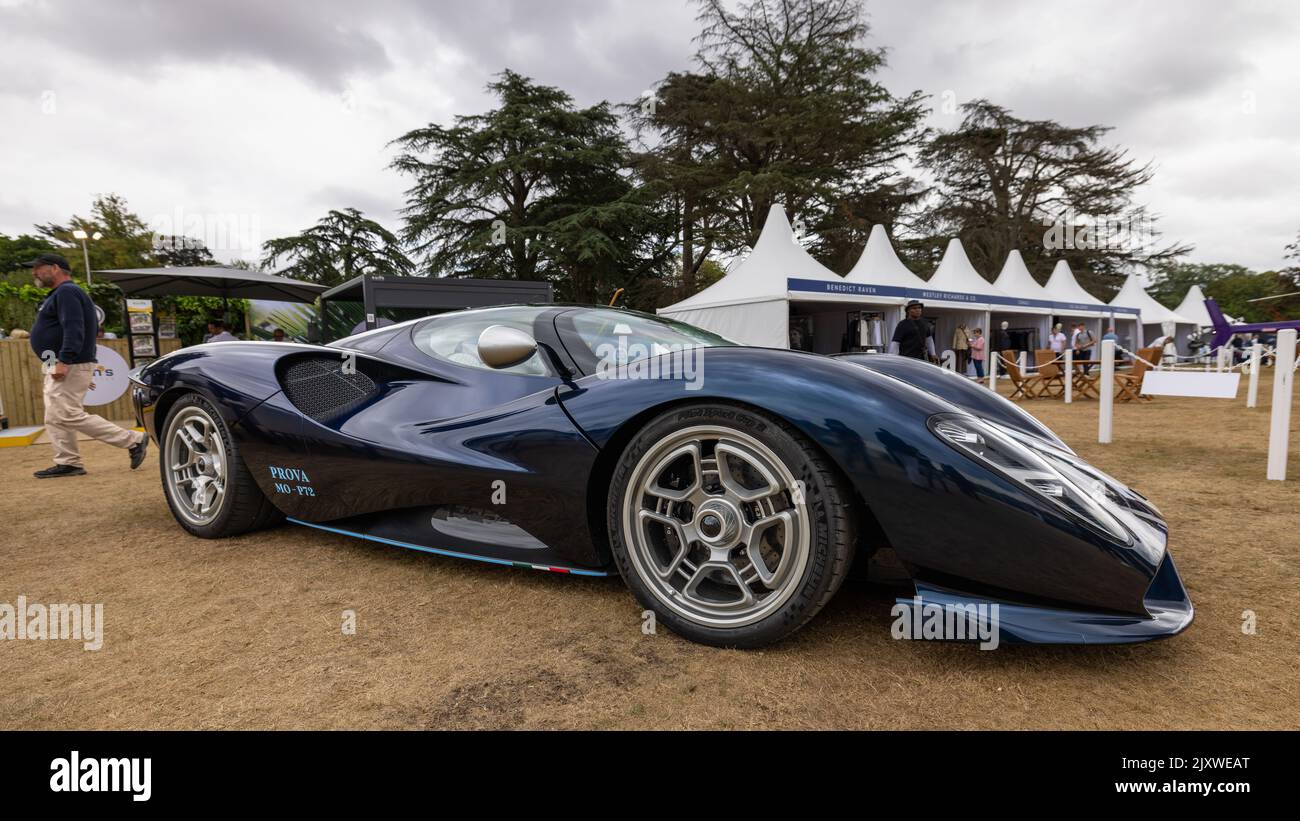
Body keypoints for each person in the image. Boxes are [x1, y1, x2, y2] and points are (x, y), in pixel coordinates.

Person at [22, 252, 148, 479]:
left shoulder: (68, 291)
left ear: (55, 268)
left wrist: (66, 361)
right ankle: (68, 462)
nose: (34, 272)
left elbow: (74, 328)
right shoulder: (58, 294)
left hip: (65, 362)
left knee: (66, 414)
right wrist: (56, 363)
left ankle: (133, 440)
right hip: (56, 361)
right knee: (54, 415)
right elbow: (51, 335)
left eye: (38, 268)